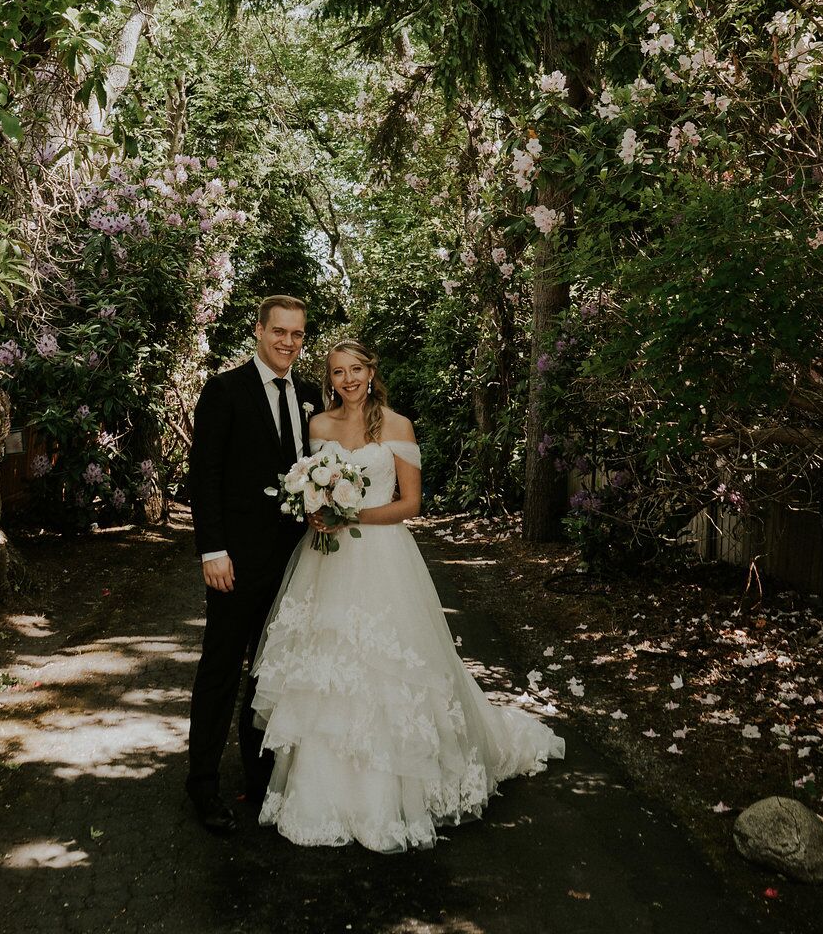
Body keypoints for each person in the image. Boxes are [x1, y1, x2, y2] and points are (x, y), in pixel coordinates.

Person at [250, 337, 566, 852]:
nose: (347, 379)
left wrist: (351, 514)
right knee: (327, 668)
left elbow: (411, 504)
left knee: (388, 665)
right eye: (336, 372)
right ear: (327, 379)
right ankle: (322, 794)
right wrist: (316, 509)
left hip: (383, 557)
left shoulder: (397, 426)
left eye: (355, 369)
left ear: (371, 372)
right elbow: (311, 486)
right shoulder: (319, 427)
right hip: (325, 559)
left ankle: (396, 791)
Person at [186, 295, 324, 833]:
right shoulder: (224, 390)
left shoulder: (311, 395)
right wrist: (212, 550)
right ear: (259, 331)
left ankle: (259, 775)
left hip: (294, 563)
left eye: (297, 334)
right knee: (221, 671)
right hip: (235, 563)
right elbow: (205, 477)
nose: (288, 342)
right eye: (279, 332)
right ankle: (201, 786)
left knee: (272, 671)